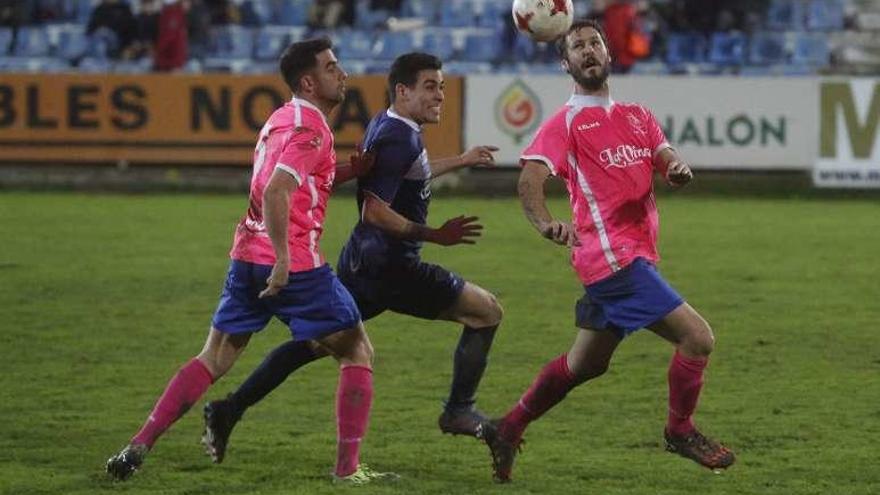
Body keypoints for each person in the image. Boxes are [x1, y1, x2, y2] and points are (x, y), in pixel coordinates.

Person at [105, 38, 396, 485]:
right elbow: (279, 189)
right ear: (308, 81)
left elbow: (292, 183)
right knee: (356, 347)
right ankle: (347, 471)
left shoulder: (281, 119)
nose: (343, 74)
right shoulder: (311, 129)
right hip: (292, 261)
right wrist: (283, 259)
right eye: (332, 67)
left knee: (215, 355)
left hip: (245, 255)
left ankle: (138, 445)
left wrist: (345, 172)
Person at [200, 52, 504, 466]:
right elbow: (373, 209)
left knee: (317, 342)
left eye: (443, 87)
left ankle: (229, 409)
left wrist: (462, 160)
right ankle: (458, 409)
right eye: (431, 87)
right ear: (403, 90)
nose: (440, 96)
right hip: (395, 267)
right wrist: (433, 235)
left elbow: (410, 172)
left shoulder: (388, 123)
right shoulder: (402, 136)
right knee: (486, 312)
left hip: (363, 260)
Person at [483, 19, 735, 483]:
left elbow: (665, 155)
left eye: (593, 42)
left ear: (608, 52)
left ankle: (507, 425)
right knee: (697, 338)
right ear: (566, 64)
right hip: (611, 261)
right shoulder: (566, 122)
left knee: (585, 365)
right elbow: (530, 179)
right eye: (576, 46)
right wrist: (544, 223)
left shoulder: (637, 115)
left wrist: (676, 168)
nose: (587, 50)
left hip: (631, 257)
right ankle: (680, 430)